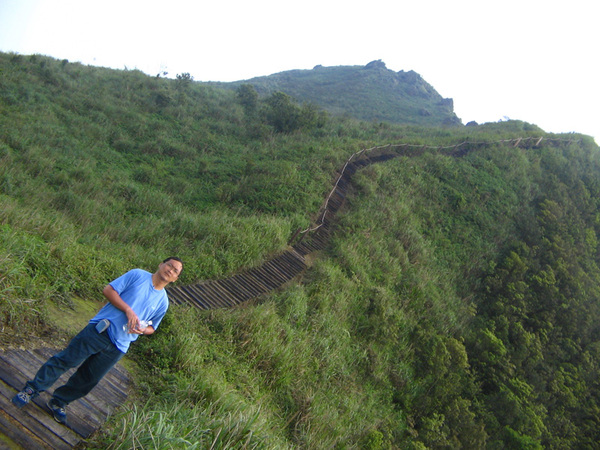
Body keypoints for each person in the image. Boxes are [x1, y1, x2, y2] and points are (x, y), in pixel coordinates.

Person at [11, 257, 183, 425]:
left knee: (89, 379)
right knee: (65, 360)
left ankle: (59, 402)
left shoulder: (163, 302)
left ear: (175, 279)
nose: (170, 270)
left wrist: (142, 329)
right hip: (100, 330)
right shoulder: (138, 275)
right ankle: (32, 389)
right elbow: (108, 290)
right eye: (169, 265)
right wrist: (128, 310)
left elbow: (152, 328)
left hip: (120, 346)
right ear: (161, 264)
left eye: (175, 271)